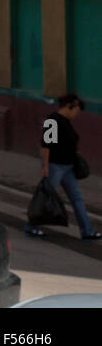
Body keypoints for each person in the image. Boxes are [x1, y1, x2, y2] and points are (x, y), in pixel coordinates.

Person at [27, 94, 100, 240]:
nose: (77, 114)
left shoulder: (66, 122)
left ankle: (87, 231)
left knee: (77, 199)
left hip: (67, 168)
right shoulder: (53, 121)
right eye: (76, 110)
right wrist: (46, 166)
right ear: (68, 106)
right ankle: (32, 226)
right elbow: (46, 146)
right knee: (46, 197)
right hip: (55, 167)